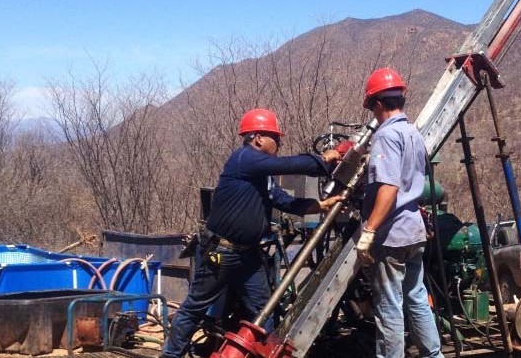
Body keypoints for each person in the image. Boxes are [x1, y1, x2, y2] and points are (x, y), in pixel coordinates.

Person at [162, 108, 342, 358]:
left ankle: (264, 354)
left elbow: (281, 200)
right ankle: (170, 355)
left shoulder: (262, 173)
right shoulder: (244, 159)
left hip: (248, 255)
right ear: (257, 138)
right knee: (195, 307)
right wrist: (322, 160)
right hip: (222, 252)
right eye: (274, 137)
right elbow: (288, 165)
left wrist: (317, 205)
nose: (279, 142)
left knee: (262, 309)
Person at [355, 68, 444, 358]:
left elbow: (389, 188)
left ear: (379, 104)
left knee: (389, 305)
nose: (373, 113)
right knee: (416, 297)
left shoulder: (386, 135)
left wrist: (368, 231)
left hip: (391, 234)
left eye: (371, 107)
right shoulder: (413, 133)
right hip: (415, 231)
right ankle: (434, 355)